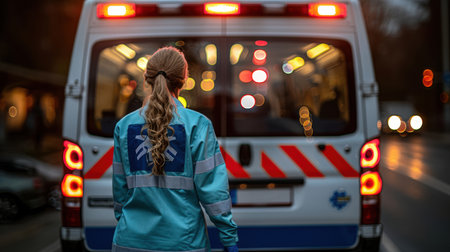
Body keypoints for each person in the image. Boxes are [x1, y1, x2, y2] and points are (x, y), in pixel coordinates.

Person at [112, 47, 238, 252]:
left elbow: (120, 191)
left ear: (147, 79)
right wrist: (228, 236)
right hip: (183, 243)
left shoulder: (124, 126)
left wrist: (130, 223)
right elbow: (213, 191)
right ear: (184, 80)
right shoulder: (198, 125)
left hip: (129, 242)